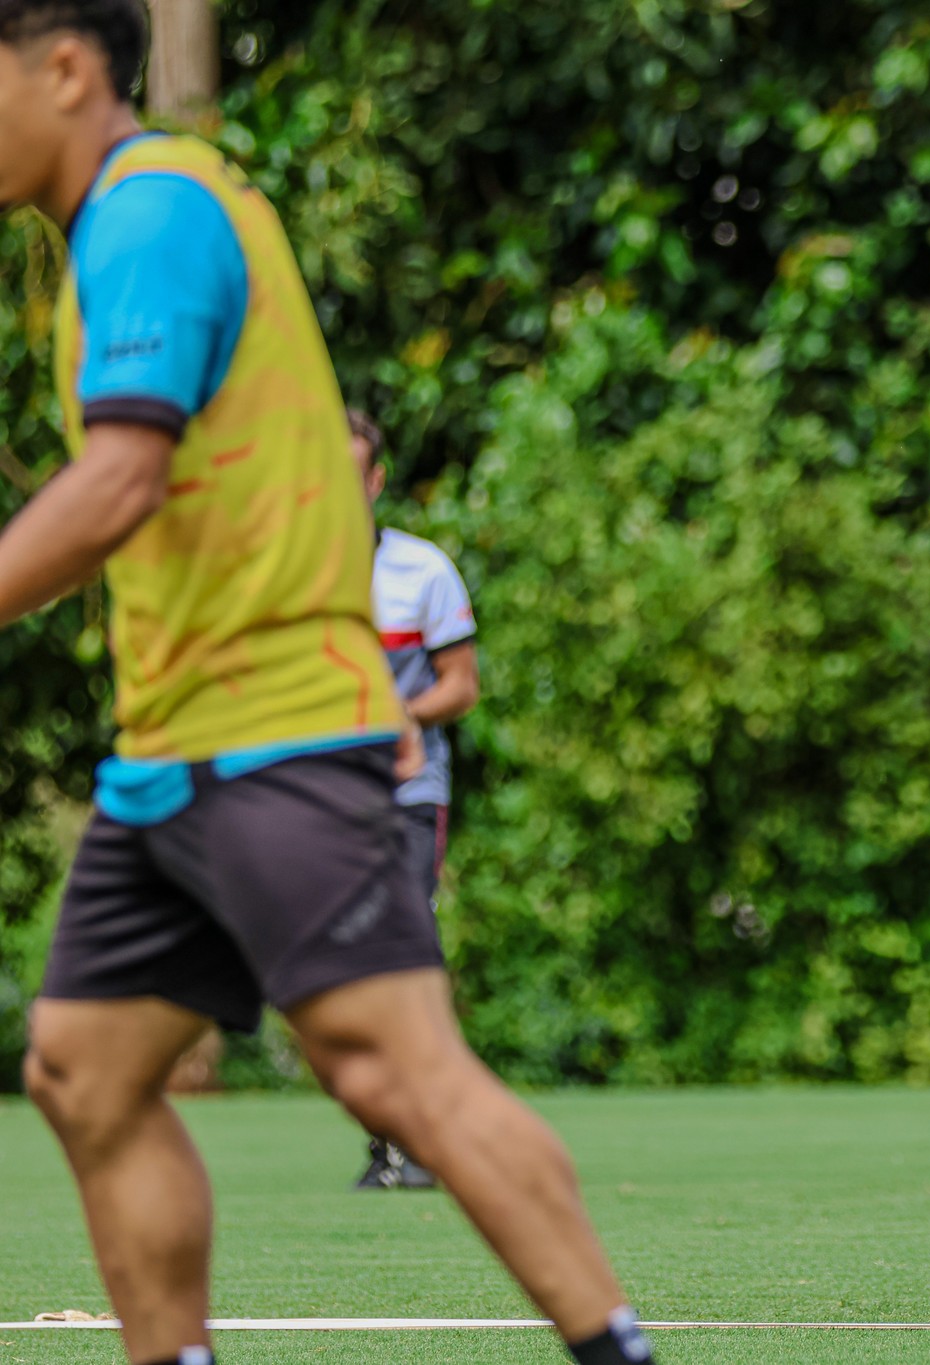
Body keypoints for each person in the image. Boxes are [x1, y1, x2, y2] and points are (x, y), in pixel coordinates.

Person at [0, 6, 654, 1362]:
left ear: (64, 67)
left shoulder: (153, 212)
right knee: (87, 1070)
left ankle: (616, 1348)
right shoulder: (113, 226)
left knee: (393, 1072)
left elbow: (119, 479)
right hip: (172, 749)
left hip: (279, 731)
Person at [347, 409, 481, 1191]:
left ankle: (427, 1134)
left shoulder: (420, 571)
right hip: (320, 795)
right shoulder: (284, 570)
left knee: (404, 952)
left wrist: (401, 715)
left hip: (405, 790)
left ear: (376, 479)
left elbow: (460, 685)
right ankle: (390, 1136)